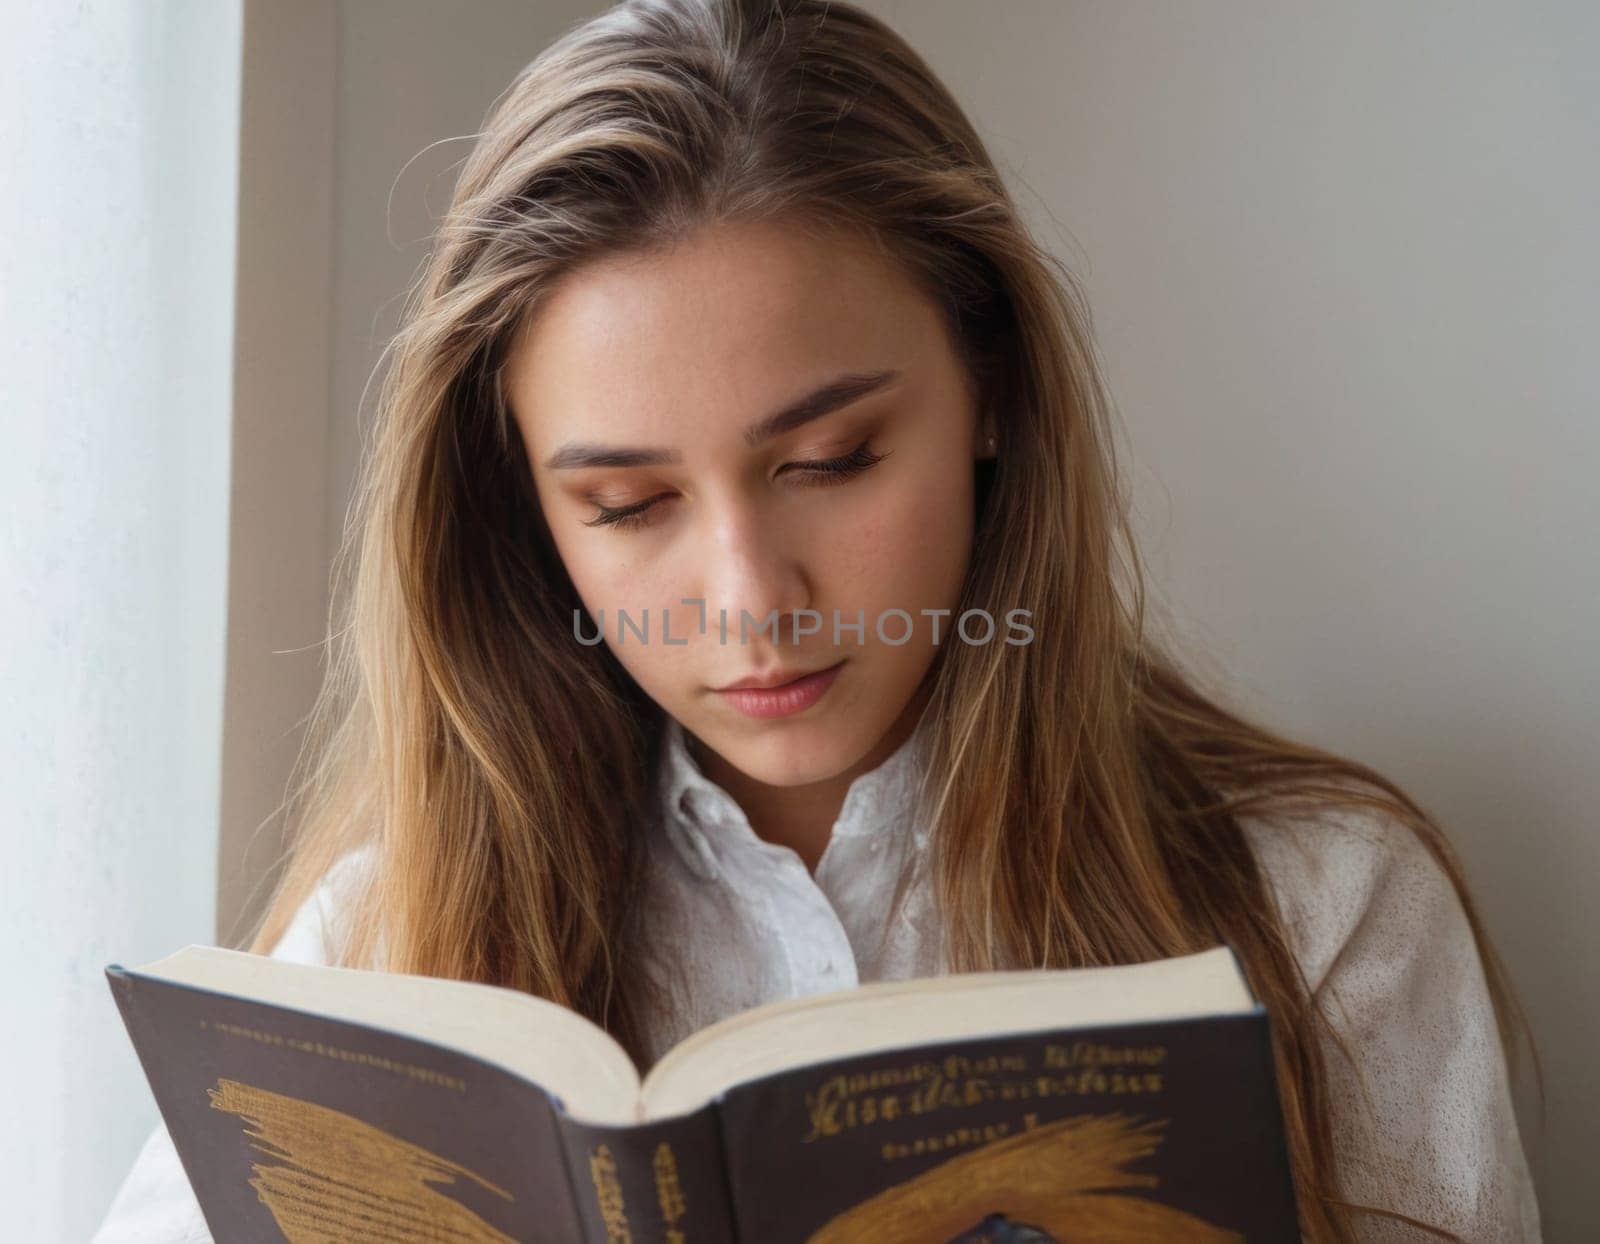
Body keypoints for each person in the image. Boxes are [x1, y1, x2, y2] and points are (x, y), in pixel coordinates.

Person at [94, 0, 1543, 1239]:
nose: (750, 599)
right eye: (627, 504)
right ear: (522, 515)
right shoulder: (382, 953)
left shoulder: (1323, 909)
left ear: (991, 391)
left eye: (830, 463)